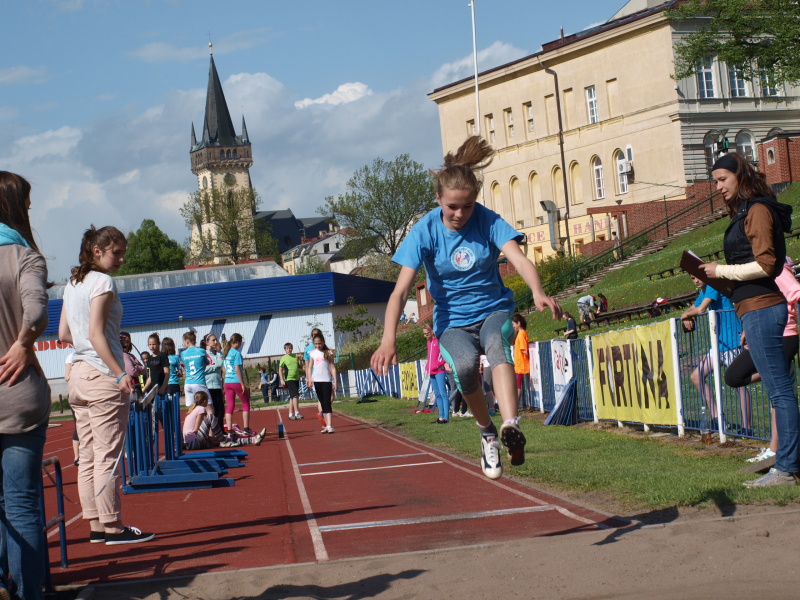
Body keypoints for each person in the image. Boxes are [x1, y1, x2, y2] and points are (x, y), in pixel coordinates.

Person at [371, 136, 561, 480]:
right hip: (452, 321)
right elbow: (400, 292)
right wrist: (388, 340)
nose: (460, 214)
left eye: (468, 206)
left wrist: (538, 291)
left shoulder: (487, 220)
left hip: (493, 310)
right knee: (464, 365)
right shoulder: (425, 231)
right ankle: (487, 433)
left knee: (496, 344)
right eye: (452, 207)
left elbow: (519, 259)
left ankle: (510, 424)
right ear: (438, 199)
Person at [701, 152, 796, 487]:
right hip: (755, 311)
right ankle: (786, 465)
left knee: (780, 393)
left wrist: (720, 271)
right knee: (779, 391)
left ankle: (786, 469)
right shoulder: (747, 210)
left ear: (740, 176)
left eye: (722, 180)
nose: (718, 187)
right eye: (715, 181)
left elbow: (767, 265)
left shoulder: (756, 210)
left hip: (763, 309)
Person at [59, 224, 155, 545]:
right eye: (117, 253)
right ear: (97, 251)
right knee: (107, 456)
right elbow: (96, 333)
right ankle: (113, 525)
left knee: (87, 455)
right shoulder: (102, 281)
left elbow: (64, 333)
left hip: (78, 375)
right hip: (102, 376)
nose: (122, 259)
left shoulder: (73, 283)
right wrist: (118, 372)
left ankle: (97, 525)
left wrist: (87, 346)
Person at [0, 171, 52, 598]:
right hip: (18, 391)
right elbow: (35, 311)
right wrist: (22, 343)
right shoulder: (24, 257)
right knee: (21, 505)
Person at [725, 258, 800, 462]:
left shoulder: (776, 267)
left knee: (779, 395)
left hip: (783, 336)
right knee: (735, 378)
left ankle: (777, 450)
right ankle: (777, 450)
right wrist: (750, 327)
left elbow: (795, 290)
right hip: (764, 334)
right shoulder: (761, 267)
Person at [681, 275, 749, 432]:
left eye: (698, 277)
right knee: (696, 376)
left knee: (739, 385)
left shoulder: (712, 286)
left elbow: (700, 309)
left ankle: (747, 427)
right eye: (692, 278)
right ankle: (718, 419)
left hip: (732, 342)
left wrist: (686, 316)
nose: (696, 281)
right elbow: (692, 308)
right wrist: (686, 317)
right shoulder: (704, 291)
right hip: (718, 345)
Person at [183, 391, 264, 450]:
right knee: (210, 417)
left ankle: (253, 439)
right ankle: (223, 441)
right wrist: (209, 437)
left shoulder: (193, 410)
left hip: (191, 444)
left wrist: (210, 438)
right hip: (194, 442)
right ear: (204, 401)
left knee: (217, 442)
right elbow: (196, 430)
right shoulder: (201, 409)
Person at [306, 334, 338, 433]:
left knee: (327, 402)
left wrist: (335, 381)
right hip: (316, 381)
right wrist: (309, 379)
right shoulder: (312, 353)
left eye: (319, 343)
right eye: (316, 344)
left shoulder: (328, 353)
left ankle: (329, 425)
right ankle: (325, 425)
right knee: (322, 402)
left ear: (323, 342)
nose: (318, 345)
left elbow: (332, 367)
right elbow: (310, 367)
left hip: (327, 380)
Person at [223, 333, 253, 436]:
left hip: (227, 381)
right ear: (239, 342)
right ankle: (246, 429)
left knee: (230, 406)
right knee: (245, 404)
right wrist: (242, 384)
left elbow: (224, 369)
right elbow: (237, 369)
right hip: (236, 381)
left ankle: (230, 430)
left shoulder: (226, 353)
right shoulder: (236, 353)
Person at [423, 323, 449, 424]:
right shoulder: (429, 343)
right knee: (437, 394)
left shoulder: (438, 341)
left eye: (426, 334)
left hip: (439, 371)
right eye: (424, 334)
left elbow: (445, 356)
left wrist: (438, 365)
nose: (425, 336)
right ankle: (441, 417)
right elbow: (430, 356)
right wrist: (427, 365)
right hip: (431, 371)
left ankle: (446, 417)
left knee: (443, 394)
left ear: (431, 332)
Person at [181, 331, 210, 414]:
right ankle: (210, 422)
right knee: (209, 407)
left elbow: (185, 365)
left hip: (188, 382)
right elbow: (206, 363)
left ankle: (192, 422)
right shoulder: (201, 351)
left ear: (187, 341)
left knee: (191, 409)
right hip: (199, 381)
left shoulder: (183, 353)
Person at [303, 328, 326, 425]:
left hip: (325, 374)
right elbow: (307, 365)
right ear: (311, 336)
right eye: (313, 335)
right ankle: (323, 413)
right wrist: (308, 378)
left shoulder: (324, 347)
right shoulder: (308, 349)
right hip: (314, 375)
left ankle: (323, 412)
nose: (315, 336)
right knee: (321, 397)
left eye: (317, 334)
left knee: (329, 396)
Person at [200, 333, 225, 422]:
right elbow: (203, 369)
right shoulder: (203, 354)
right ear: (207, 342)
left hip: (217, 385)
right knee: (211, 411)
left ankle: (220, 429)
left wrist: (211, 353)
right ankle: (210, 429)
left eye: (216, 340)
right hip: (208, 385)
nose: (216, 342)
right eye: (213, 340)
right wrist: (214, 367)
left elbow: (221, 363)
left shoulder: (218, 353)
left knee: (220, 411)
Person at [280, 343, 302, 420]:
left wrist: (300, 359)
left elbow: (300, 366)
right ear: (285, 350)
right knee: (295, 395)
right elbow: (280, 369)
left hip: (296, 378)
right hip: (289, 379)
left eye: (290, 348)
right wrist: (282, 379)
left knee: (292, 397)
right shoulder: (284, 358)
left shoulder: (295, 356)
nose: (289, 350)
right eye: (287, 349)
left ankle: (290, 414)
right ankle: (297, 412)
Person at [144, 333, 169, 399]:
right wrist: (143, 390)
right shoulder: (150, 358)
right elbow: (150, 377)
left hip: (162, 388)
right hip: (153, 389)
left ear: (158, 344)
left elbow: (167, 374)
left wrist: (163, 387)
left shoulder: (163, 356)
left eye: (154, 344)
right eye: (150, 344)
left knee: (163, 404)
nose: (152, 347)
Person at [119, 331, 145, 396]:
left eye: (127, 341)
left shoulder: (131, 356)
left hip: (135, 386)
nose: (125, 344)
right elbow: (132, 372)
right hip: (131, 387)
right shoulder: (124, 355)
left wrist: (136, 367)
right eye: (122, 341)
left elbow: (144, 369)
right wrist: (138, 367)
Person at [512, 313, 530, 393]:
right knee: (517, 385)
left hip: (521, 365)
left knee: (517, 385)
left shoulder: (521, 334)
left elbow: (524, 350)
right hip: (519, 365)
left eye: (513, 324)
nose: (513, 326)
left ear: (518, 323)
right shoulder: (520, 334)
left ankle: (516, 400)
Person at [162, 337, 182, 406]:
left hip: (164, 383)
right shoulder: (175, 358)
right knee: (175, 405)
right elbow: (180, 373)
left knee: (166, 404)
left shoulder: (161, 357)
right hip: (174, 383)